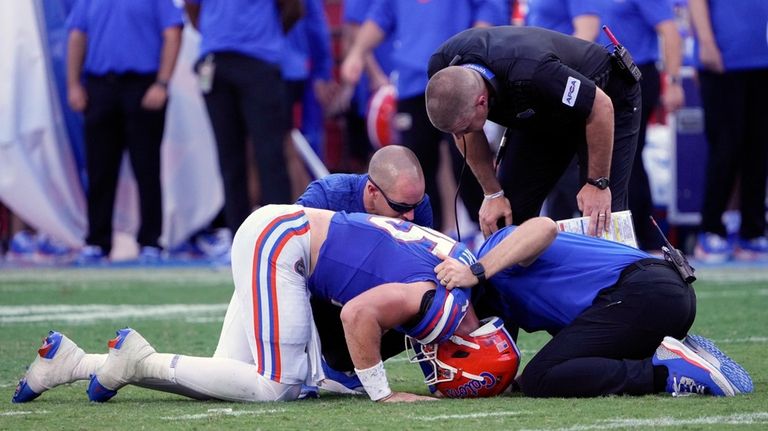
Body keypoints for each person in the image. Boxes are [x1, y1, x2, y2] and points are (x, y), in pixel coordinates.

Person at [13, 206, 481, 403]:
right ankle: (137, 362)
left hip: (280, 237)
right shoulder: (439, 301)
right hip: (283, 246)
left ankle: (73, 363)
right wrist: (382, 392)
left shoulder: (461, 261)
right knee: (278, 386)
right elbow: (356, 314)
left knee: (226, 374)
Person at [434, 217, 754, 397]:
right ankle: (681, 353)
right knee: (540, 375)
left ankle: (665, 371)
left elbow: (543, 227)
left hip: (645, 293)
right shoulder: (500, 304)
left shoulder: (490, 257)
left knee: (540, 378)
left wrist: (476, 271)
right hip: (664, 298)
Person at [425, 26, 642, 238]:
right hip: (541, 108)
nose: (461, 137)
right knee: (507, 216)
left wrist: (598, 183)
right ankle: (524, 272)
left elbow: (600, 106)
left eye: (464, 128)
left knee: (601, 216)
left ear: (482, 102)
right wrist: (493, 193)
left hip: (603, 98)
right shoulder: (443, 71)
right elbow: (467, 133)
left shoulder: (533, 71)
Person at [340, 0, 508, 232]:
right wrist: (357, 53)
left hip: (457, 79)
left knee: (467, 159)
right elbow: (381, 16)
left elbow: (490, 8)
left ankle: (487, 230)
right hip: (412, 83)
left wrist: (473, 49)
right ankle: (428, 235)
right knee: (417, 165)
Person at [66, 0, 183, 262]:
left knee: (147, 167)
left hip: (142, 86)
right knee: (99, 169)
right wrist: (73, 84)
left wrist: (162, 83)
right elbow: (77, 35)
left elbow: (173, 33)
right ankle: (97, 241)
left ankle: (151, 241)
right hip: (99, 87)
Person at [183, 0, 293, 237]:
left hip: (258, 61)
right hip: (217, 62)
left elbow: (294, 8)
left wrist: (262, 38)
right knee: (229, 157)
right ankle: (239, 238)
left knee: (270, 156)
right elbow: (191, 8)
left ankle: (281, 237)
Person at [596, 0, 685, 251]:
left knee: (626, 157)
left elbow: (669, 32)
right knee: (617, 157)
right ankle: (628, 233)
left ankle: (638, 234)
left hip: (632, 76)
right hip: (599, 75)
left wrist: (675, 81)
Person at [689, 0, 768, 262]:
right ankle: (711, 228)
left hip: (761, 61)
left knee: (758, 149)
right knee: (725, 148)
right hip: (723, 59)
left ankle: (753, 230)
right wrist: (707, 43)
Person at [523, 0, 603, 221]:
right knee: (552, 169)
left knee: (568, 167)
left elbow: (588, 31)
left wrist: (556, 74)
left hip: (562, 82)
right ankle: (561, 232)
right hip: (542, 84)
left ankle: (593, 229)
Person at [297, 145, 433, 227]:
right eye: (400, 207)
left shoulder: (416, 203)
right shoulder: (327, 196)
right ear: (373, 191)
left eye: (416, 205)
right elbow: (287, 238)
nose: (411, 216)